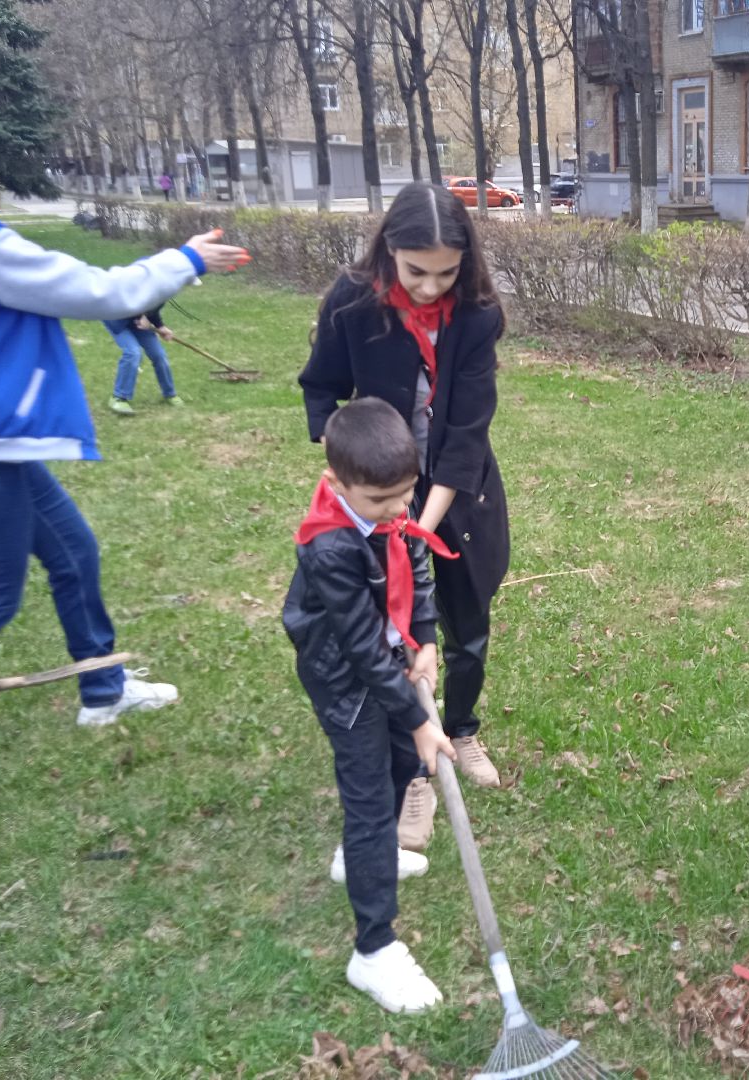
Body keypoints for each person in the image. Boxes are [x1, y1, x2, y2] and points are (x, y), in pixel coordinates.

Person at [0, 107, 248, 725]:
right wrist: (185, 258)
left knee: (75, 551)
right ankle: (102, 686)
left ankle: (102, 688)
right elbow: (106, 293)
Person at [300, 181, 509, 854]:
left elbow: (469, 430)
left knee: (464, 624)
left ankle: (464, 729)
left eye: (445, 273)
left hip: (459, 494)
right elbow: (321, 386)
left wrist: (424, 521)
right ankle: (414, 767)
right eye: (416, 270)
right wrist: (355, 466)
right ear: (388, 250)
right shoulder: (353, 303)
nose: (428, 287)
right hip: (379, 495)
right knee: (392, 641)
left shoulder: (476, 315)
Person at [282, 397, 457, 1014]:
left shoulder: (389, 513)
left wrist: (428, 641)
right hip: (348, 684)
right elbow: (358, 648)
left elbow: (415, 562)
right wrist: (417, 722)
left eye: (405, 495)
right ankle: (373, 950)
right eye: (380, 501)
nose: (397, 510)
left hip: (388, 665)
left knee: (399, 770)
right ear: (336, 483)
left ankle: (362, 856)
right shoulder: (329, 548)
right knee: (368, 794)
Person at [104, 303, 183, 414]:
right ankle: (119, 397)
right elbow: (125, 299)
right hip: (116, 318)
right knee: (133, 353)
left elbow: (153, 308)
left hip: (139, 321)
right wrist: (140, 316)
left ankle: (170, 394)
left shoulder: (165, 290)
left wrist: (160, 326)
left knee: (159, 355)